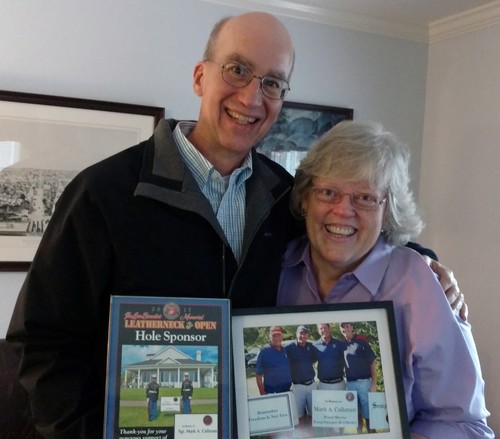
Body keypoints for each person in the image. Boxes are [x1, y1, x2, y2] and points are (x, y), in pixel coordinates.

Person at [6, 11, 464, 439]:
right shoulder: (104, 193)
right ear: (200, 76)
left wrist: (425, 265)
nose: (251, 97)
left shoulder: (286, 197)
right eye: (237, 70)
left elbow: (348, 230)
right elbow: (44, 344)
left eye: (272, 83)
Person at [276, 120, 493, 438]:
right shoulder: (274, 268)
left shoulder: (421, 285)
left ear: (387, 209)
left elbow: (465, 424)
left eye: (364, 197)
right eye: (328, 192)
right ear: (305, 199)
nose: (343, 211)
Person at [340, 322, 376, 433]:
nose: (345, 328)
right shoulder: (342, 344)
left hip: (364, 382)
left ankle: (371, 434)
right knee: (355, 412)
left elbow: (372, 361)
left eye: (347, 325)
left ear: (352, 327)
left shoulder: (361, 340)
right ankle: (359, 434)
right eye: (342, 326)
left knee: (368, 412)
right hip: (350, 383)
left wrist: (374, 383)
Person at [284, 325, 316, 429]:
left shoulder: (311, 346)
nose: (303, 335)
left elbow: (315, 359)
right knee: (299, 417)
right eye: (300, 333)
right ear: (296, 334)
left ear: (308, 335)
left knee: (313, 414)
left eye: (305, 333)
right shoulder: (289, 348)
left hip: (311, 385)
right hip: (298, 386)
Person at [255, 326, 292, 395]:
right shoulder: (264, 352)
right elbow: (258, 374)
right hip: (272, 393)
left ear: (282, 336)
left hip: (287, 391)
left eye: (279, 335)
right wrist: (262, 392)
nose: (277, 338)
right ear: (270, 337)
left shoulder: (284, 350)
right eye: (274, 336)